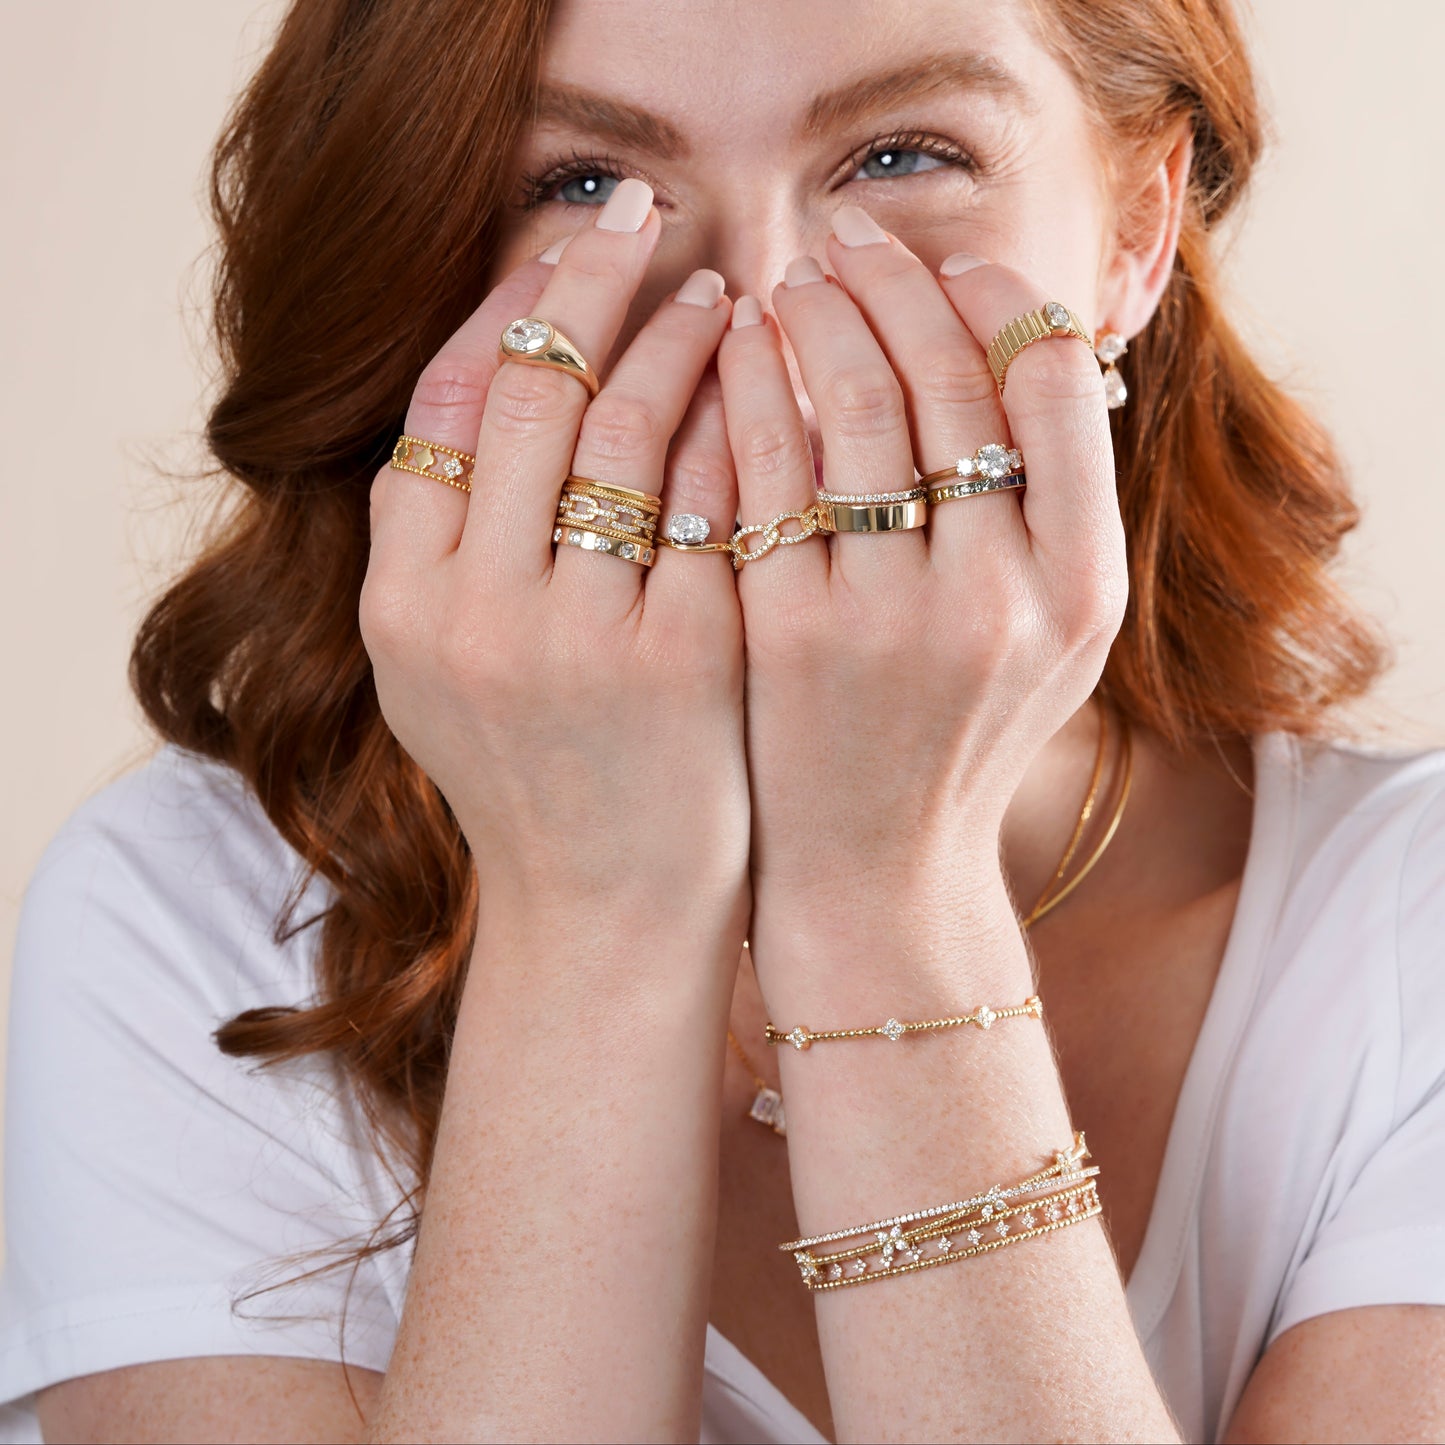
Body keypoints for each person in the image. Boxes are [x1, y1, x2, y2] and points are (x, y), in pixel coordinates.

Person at [3, 0, 1444, 1439]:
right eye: (583, 187)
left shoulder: (1403, 930)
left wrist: (885, 880)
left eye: (899, 156)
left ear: (1133, 232)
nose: (759, 304)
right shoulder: (186, 922)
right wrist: (594, 911)